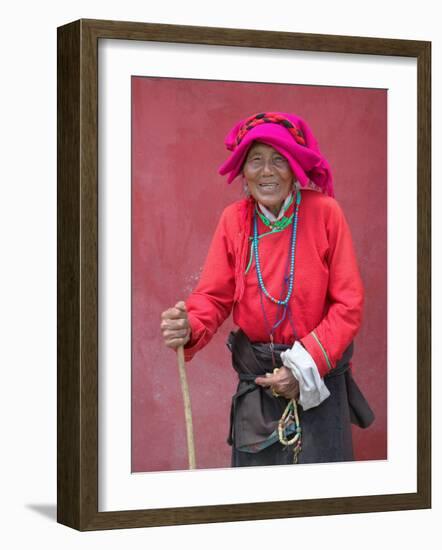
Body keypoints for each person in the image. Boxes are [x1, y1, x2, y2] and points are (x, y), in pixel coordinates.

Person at [160, 111, 374, 467]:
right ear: (243, 170)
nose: (267, 171)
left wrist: (302, 369)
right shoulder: (234, 220)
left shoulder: (326, 214)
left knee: (319, 503)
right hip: (257, 383)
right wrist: (190, 326)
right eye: (256, 160)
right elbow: (214, 296)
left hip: (317, 377)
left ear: (295, 169)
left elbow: (348, 305)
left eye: (279, 159)